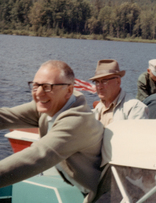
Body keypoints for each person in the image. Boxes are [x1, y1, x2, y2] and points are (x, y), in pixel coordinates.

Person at [0, 60, 104, 202]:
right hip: (77, 188)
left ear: (68, 90)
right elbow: (6, 116)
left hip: (101, 197)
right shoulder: (50, 105)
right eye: (35, 86)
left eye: (48, 87)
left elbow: (36, 156)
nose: (39, 93)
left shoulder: (77, 121)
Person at [90, 59, 148, 126]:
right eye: (97, 82)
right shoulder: (98, 108)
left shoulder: (135, 108)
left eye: (104, 81)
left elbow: (136, 135)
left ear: (118, 81)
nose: (99, 87)